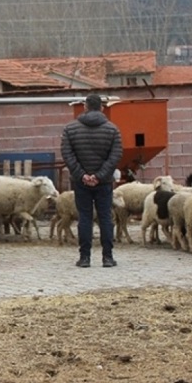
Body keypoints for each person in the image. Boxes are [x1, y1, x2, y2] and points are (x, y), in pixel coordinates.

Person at [60, 94, 123, 268]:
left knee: (85, 218)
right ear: (102, 108)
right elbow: (116, 155)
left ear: (85, 107)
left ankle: (85, 258)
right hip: (103, 183)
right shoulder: (112, 130)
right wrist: (100, 176)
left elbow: (67, 154)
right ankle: (108, 257)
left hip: (81, 183)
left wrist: (82, 175)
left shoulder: (70, 129)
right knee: (105, 218)